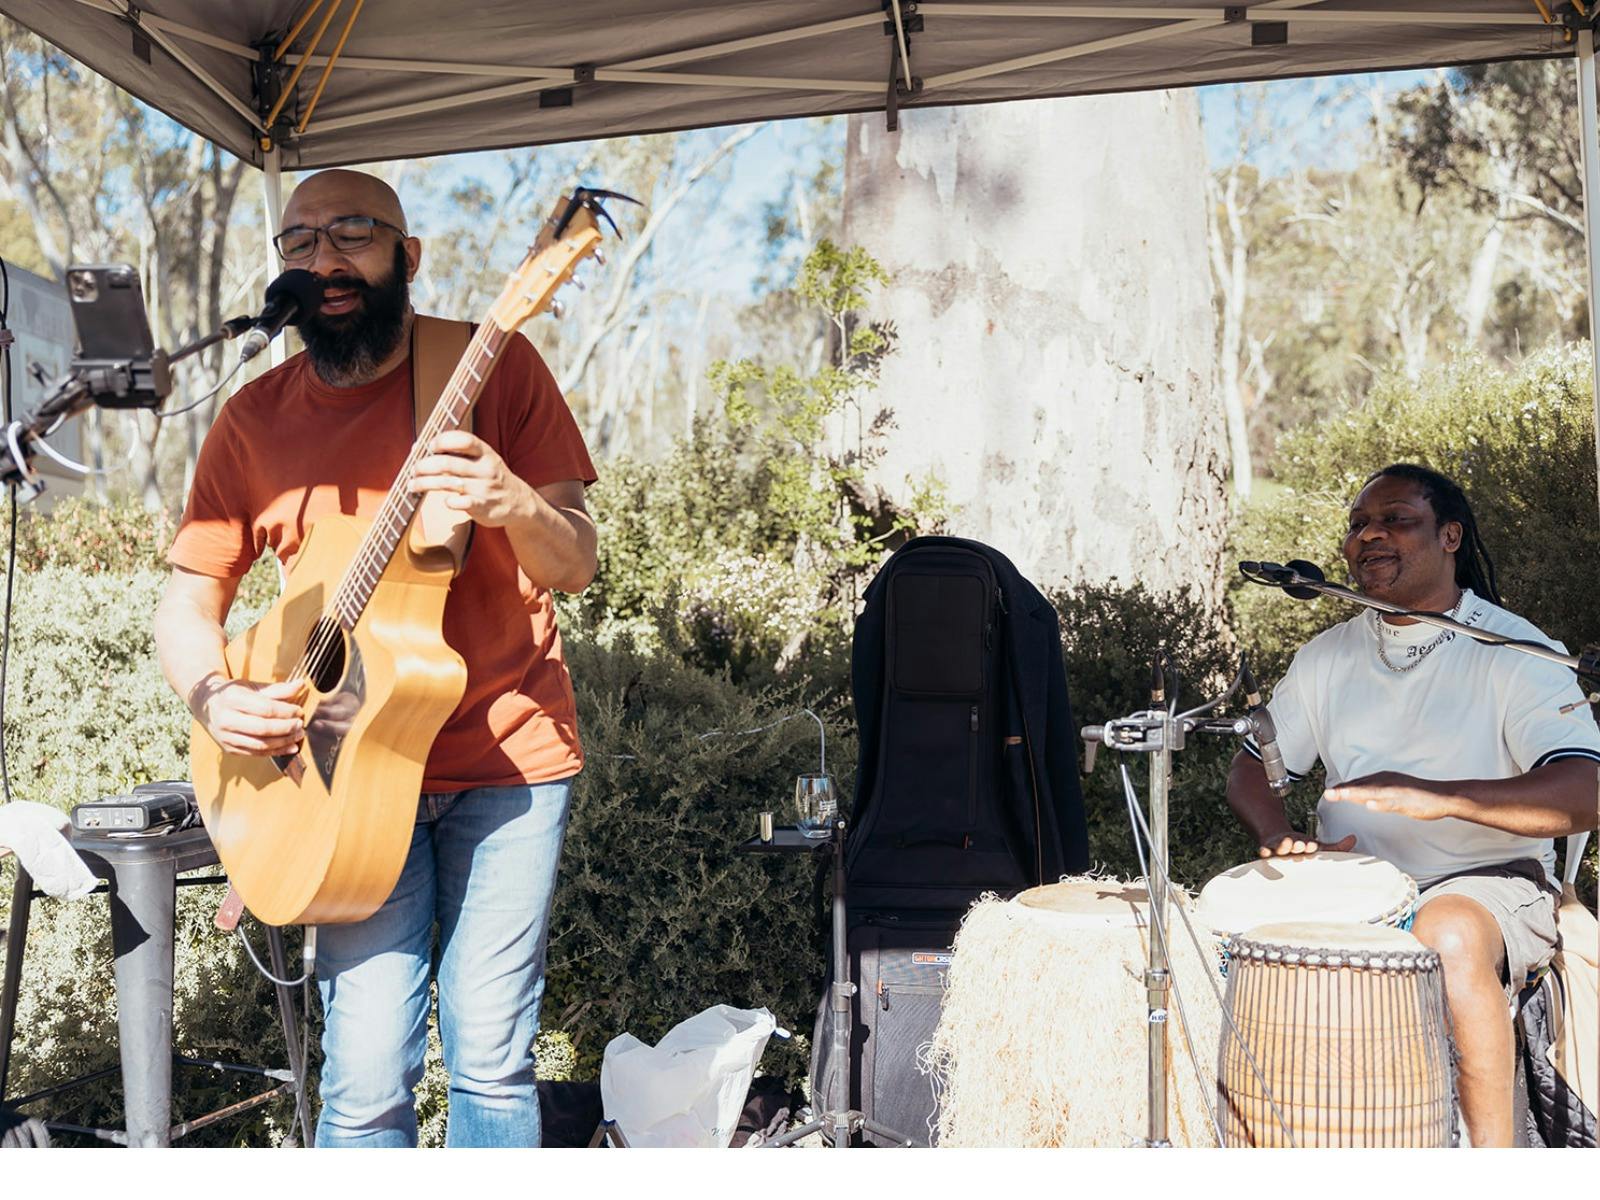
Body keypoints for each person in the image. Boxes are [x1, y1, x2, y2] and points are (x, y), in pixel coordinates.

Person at [152, 169, 598, 1147]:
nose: (326, 259)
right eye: (300, 242)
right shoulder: (251, 421)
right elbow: (189, 602)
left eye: (354, 233)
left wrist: (511, 501)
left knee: (489, 1058)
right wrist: (216, 694)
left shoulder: (491, 368)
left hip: (505, 768)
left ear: (410, 256)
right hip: (337, 782)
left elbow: (576, 561)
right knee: (361, 1082)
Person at [1226, 463, 1600, 1148]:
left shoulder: (1515, 653)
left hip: (1489, 885)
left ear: (1450, 536)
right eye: (1358, 525)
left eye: (1396, 519)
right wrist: (1278, 833)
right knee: (1220, 928)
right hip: (1353, 886)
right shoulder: (1327, 656)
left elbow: (1585, 793)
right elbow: (1253, 764)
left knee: (1446, 931)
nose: (1369, 535)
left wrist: (1440, 798)